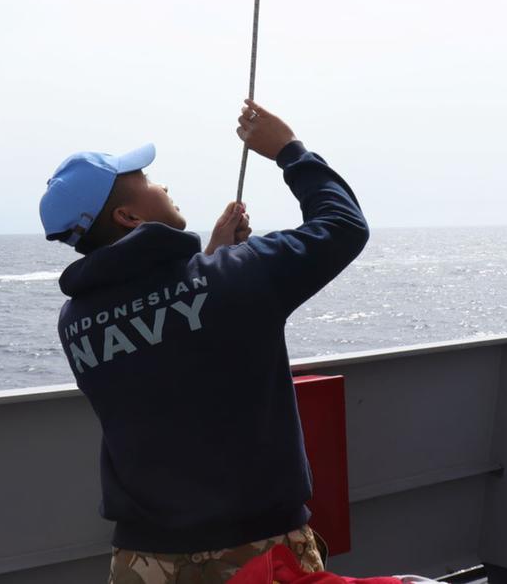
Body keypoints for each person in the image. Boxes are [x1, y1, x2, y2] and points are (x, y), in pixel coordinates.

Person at [39, 99, 369, 584]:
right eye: (147, 181)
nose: (163, 184)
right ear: (129, 216)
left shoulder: (75, 322)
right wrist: (289, 150)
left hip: (140, 561)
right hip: (256, 550)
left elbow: (161, 338)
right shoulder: (233, 277)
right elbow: (342, 226)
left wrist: (212, 255)